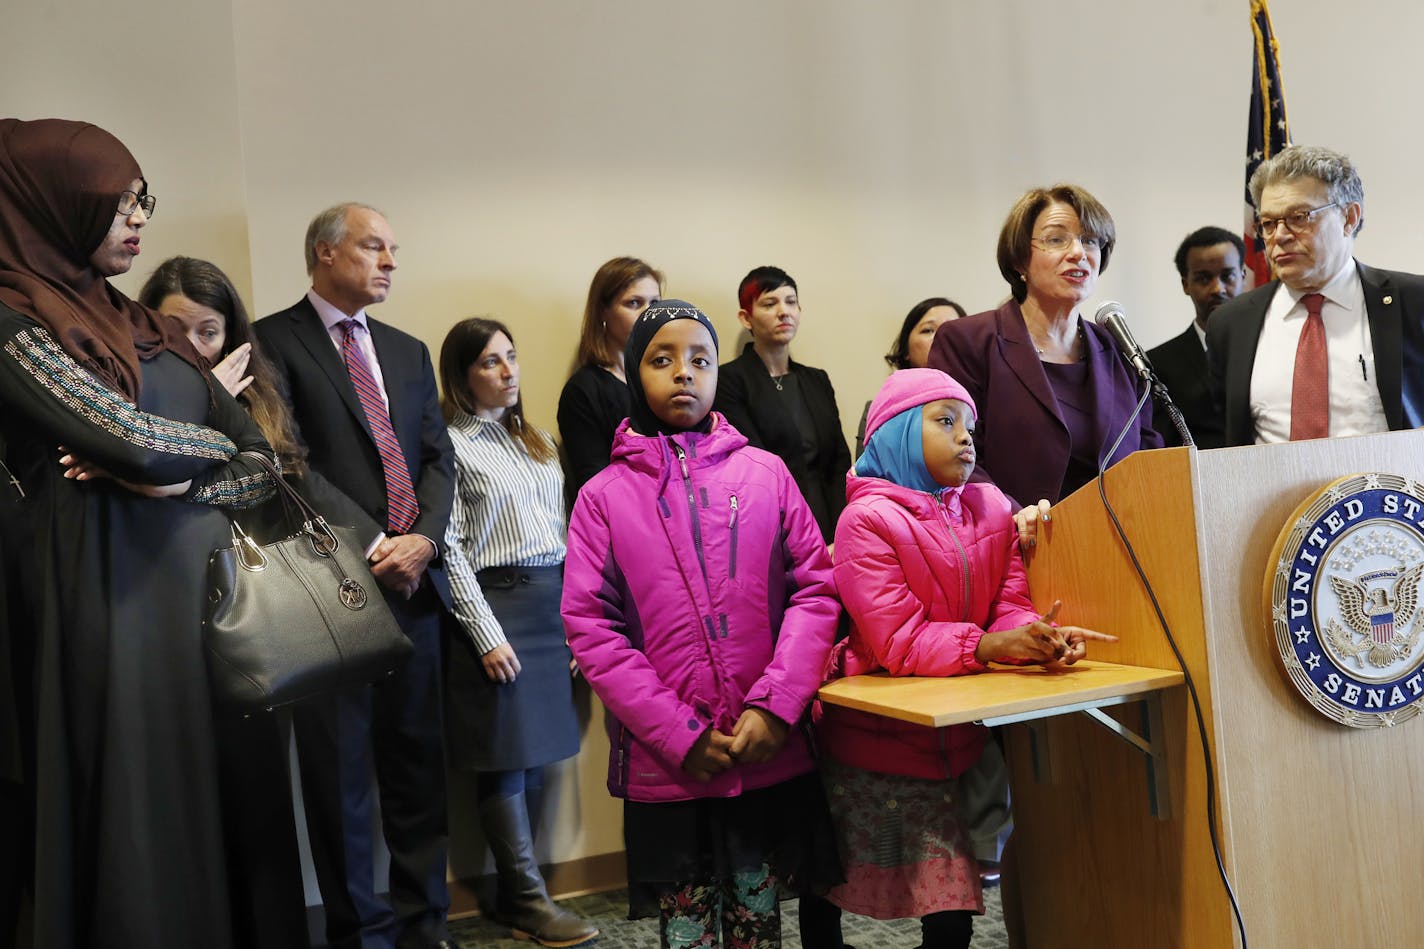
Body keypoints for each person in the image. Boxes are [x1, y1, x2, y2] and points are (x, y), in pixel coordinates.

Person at [0, 118, 278, 948]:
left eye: (140, 200)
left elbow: (261, 461)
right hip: (96, 600)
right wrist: (183, 460)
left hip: (193, 610)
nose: (138, 218)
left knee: (199, 802)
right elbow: (126, 440)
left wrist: (188, 468)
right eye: (118, 202)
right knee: (123, 809)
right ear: (52, 207)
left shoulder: (145, 326)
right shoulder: (14, 320)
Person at [561, 299, 842, 948]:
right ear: (636, 374)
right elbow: (593, 627)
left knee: (757, 917)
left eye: (700, 359)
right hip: (672, 764)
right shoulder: (604, 497)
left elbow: (815, 590)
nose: (683, 372)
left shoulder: (766, 474)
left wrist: (777, 705)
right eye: (662, 359)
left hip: (763, 747)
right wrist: (677, 730)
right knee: (685, 927)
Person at [817, 368, 1116, 949]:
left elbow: (1010, 603)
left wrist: (1036, 637)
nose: (965, 438)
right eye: (946, 422)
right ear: (899, 432)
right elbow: (896, 641)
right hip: (873, 739)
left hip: (950, 736)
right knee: (833, 883)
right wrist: (985, 646)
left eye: (970, 426)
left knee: (950, 903)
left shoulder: (990, 505)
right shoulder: (866, 521)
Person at [255, 203, 458, 949]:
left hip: (417, 590)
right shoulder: (273, 340)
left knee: (417, 773)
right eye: (375, 246)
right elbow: (287, 459)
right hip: (333, 593)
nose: (390, 261)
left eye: (394, 248)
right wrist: (379, 542)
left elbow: (438, 458)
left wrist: (423, 542)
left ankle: (423, 926)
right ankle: (359, 935)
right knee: (339, 782)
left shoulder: (407, 350)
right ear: (324, 252)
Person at [138, 256, 311, 949]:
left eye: (207, 330)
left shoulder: (257, 394)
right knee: (179, 807)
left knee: (257, 798)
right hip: (161, 618)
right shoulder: (133, 390)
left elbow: (261, 480)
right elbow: (141, 475)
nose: (193, 345)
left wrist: (186, 475)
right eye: (174, 328)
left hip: (254, 617)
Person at [437, 317, 597, 948]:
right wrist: (484, 633)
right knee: (504, 759)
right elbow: (446, 548)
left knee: (536, 760)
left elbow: (563, 535)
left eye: (511, 357)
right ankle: (528, 900)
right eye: (488, 362)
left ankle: (514, 893)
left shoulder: (538, 439)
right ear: (461, 374)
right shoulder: (449, 444)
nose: (507, 371)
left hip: (549, 603)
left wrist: (577, 624)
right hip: (494, 607)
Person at [929, 184, 1161, 544]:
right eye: (1056, 240)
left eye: (1090, 241)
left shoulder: (1119, 350)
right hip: (1015, 551)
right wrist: (1008, 512)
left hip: (1120, 552)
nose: (1078, 253)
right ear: (1020, 259)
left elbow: (1149, 453)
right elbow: (949, 452)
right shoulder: (969, 343)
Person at [1206, 144, 1424, 446]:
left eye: (1299, 217)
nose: (1279, 236)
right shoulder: (1230, 324)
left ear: (1349, 217)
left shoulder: (1414, 303)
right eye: (1268, 223)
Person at [714, 266, 852, 544]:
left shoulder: (816, 380)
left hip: (831, 518)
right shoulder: (728, 380)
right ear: (746, 317)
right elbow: (753, 462)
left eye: (791, 302)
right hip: (770, 523)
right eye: (769, 303)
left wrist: (843, 529)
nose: (784, 311)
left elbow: (839, 458)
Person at [556, 256, 662, 506]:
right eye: (634, 303)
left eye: (655, 303)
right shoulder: (583, 391)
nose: (649, 314)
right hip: (625, 519)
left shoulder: (667, 378)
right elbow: (594, 483)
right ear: (603, 311)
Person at [1146, 227, 1246, 449]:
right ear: (1186, 284)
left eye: (1227, 276)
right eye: (1203, 278)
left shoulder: (1269, 348)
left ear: (1243, 276)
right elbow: (1161, 448)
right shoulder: (1156, 364)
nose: (1217, 288)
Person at [855, 297, 969, 455]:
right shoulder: (881, 409)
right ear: (906, 349)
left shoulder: (988, 404)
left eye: (952, 330)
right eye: (928, 330)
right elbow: (867, 473)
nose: (941, 337)